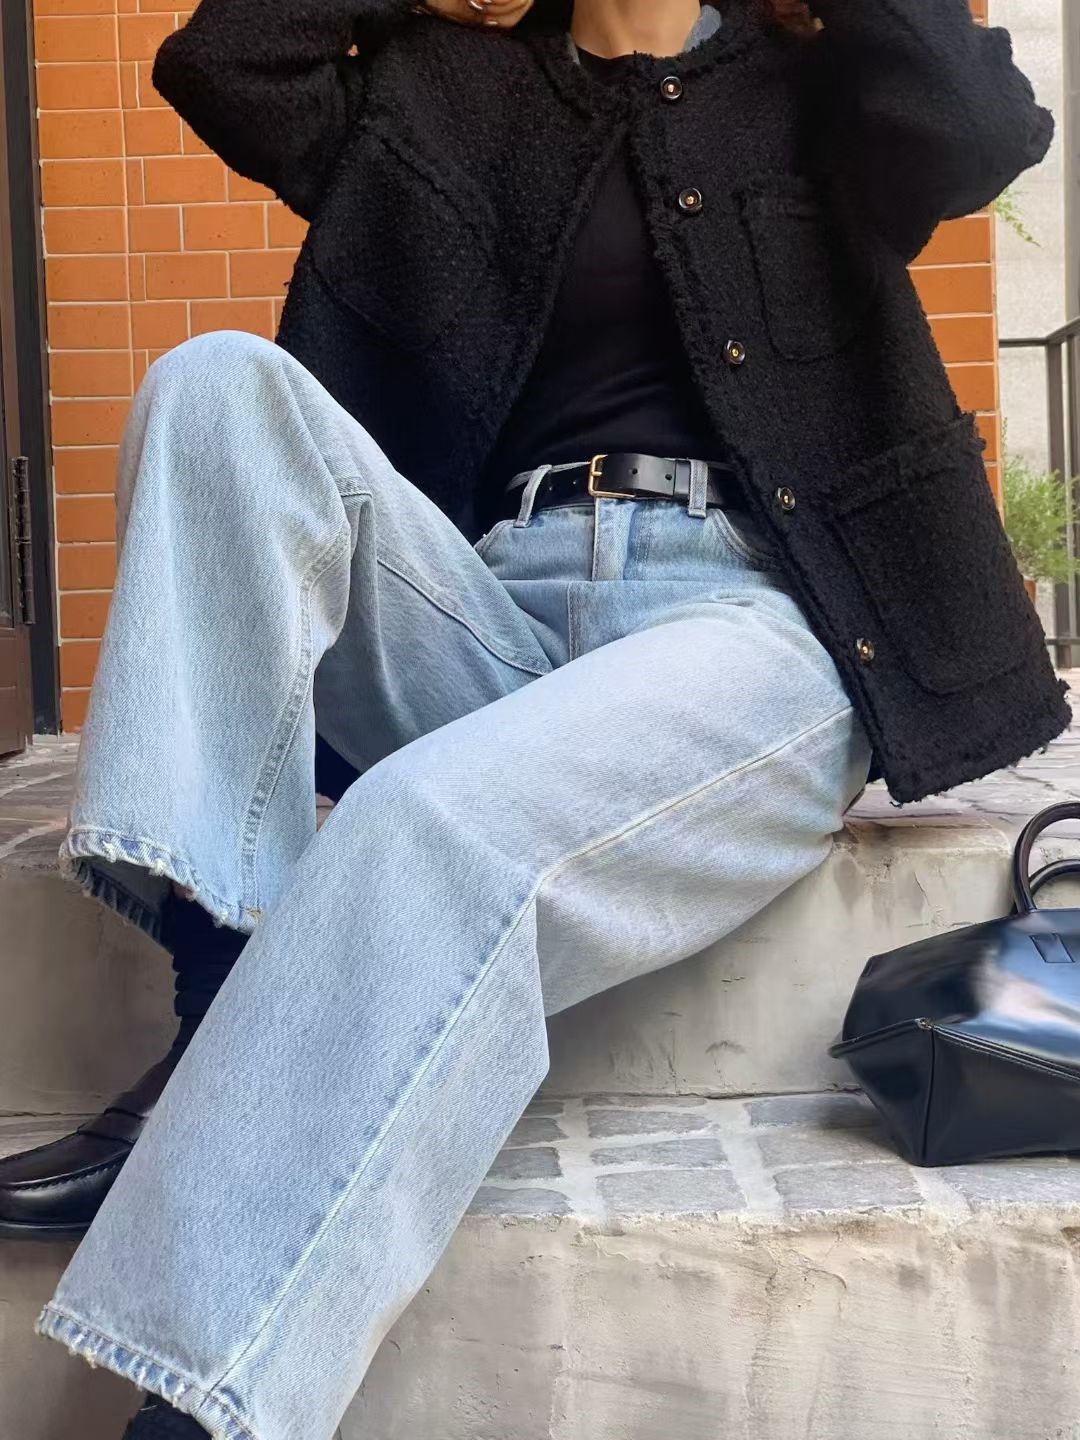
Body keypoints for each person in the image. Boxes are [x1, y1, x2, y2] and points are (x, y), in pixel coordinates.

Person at [5, 0, 1064, 1434]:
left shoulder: (819, 86)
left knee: (421, 825)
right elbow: (222, 59)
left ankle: (189, 1413)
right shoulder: (451, 88)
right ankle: (219, 1001)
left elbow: (983, 125)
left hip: (742, 630)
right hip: (486, 607)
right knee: (213, 388)